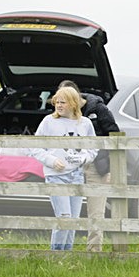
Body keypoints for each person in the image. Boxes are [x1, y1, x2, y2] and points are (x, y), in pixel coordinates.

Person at [31, 86, 97, 251]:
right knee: (64, 217)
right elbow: (35, 147)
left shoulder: (85, 124)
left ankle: (67, 255)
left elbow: (93, 147)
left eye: (63, 102)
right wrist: (51, 161)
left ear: (73, 104)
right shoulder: (49, 122)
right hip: (56, 176)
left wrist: (84, 158)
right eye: (57, 102)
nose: (59, 106)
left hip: (77, 175)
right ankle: (56, 254)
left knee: (73, 220)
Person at [58, 80, 120, 251]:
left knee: (96, 210)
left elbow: (115, 135)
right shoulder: (62, 113)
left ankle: (94, 251)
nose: (62, 104)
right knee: (66, 210)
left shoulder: (98, 109)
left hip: (96, 165)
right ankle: (64, 249)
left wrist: (109, 168)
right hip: (71, 165)